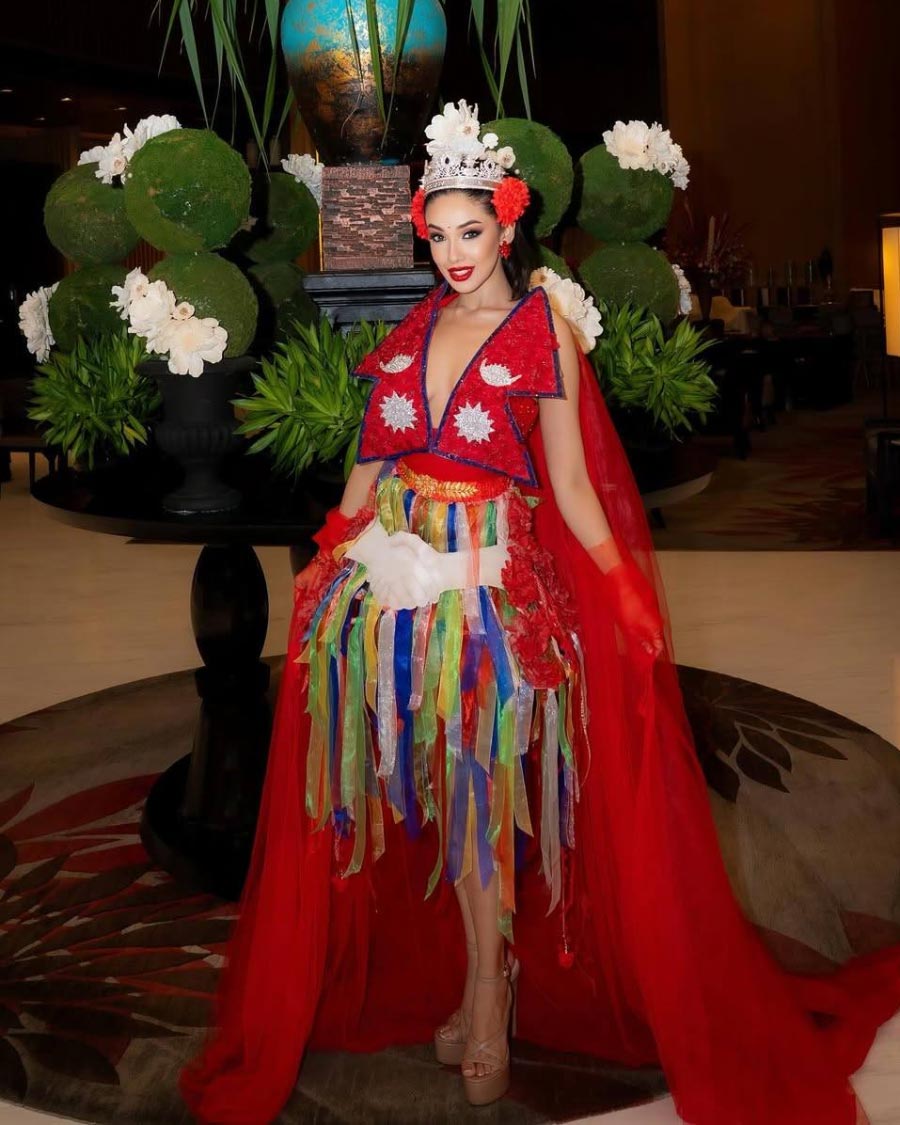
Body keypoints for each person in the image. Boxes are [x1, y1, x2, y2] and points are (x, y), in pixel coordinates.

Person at [182, 101, 900, 1125]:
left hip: (490, 608)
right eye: (437, 235)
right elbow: (369, 469)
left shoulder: (541, 334)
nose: (452, 253)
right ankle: (483, 966)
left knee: (480, 794)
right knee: (430, 795)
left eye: (470, 231)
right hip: (396, 604)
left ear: (508, 224)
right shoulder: (412, 331)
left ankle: (489, 989)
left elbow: (569, 486)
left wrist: (622, 584)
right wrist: (327, 557)